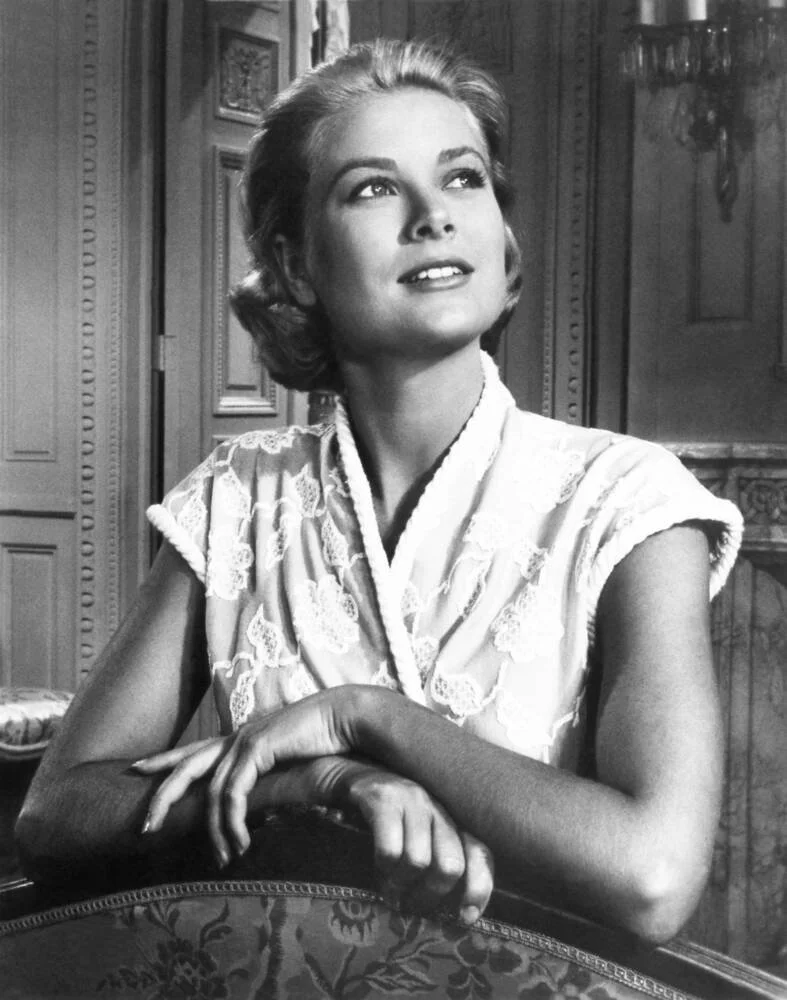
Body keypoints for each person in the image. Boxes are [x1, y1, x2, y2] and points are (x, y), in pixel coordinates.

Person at [16, 38, 742, 944]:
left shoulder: (625, 498)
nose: (433, 216)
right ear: (292, 265)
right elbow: (56, 817)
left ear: (503, 238)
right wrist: (314, 781)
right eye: (372, 188)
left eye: (463, 178)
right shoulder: (237, 497)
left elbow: (653, 876)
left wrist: (364, 720)